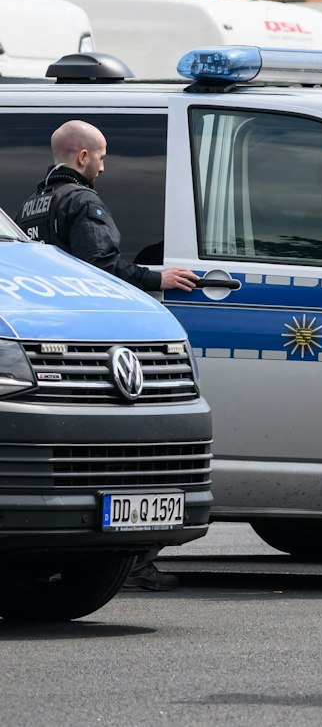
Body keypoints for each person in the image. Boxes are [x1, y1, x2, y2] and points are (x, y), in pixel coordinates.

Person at [20, 120, 199, 592]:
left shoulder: (32, 204)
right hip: (91, 341)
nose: (104, 164)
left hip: (46, 343)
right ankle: (134, 558)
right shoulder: (83, 200)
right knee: (136, 451)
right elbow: (98, 269)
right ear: (82, 156)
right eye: (100, 156)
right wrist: (155, 278)